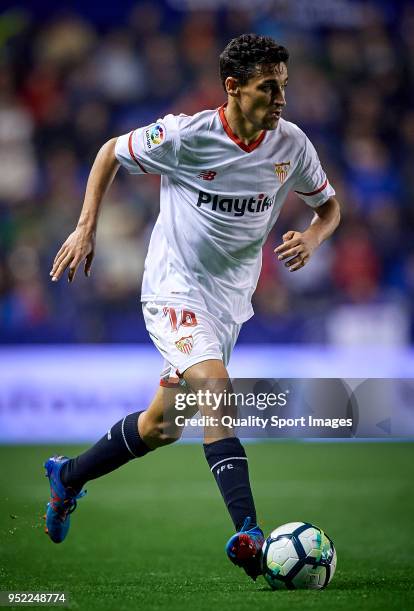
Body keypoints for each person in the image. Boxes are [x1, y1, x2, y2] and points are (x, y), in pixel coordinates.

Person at [44, 33, 341, 581]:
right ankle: (249, 531)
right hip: (172, 289)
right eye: (268, 88)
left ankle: (68, 477)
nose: (281, 100)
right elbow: (111, 150)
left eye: (284, 88)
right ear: (233, 88)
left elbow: (328, 208)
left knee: (162, 427)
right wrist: (86, 228)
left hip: (228, 303)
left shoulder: (292, 146)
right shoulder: (185, 135)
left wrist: (314, 239)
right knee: (215, 384)